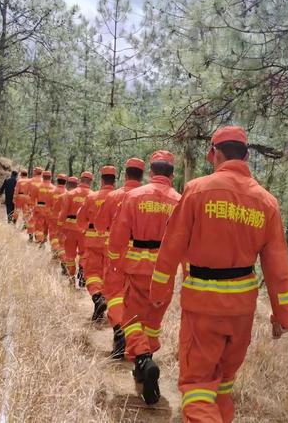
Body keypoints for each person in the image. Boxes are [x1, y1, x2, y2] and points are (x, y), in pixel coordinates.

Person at [150, 126, 288, 423]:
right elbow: (278, 268)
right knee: (223, 387)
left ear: (214, 153)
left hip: (203, 305)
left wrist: (158, 292)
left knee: (198, 387)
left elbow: (171, 247)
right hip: (242, 310)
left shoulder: (197, 190)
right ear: (247, 155)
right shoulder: (267, 202)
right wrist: (283, 316)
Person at [109, 151, 181, 405]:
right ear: (172, 175)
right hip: (166, 272)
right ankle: (144, 366)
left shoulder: (134, 196)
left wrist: (114, 265)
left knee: (130, 318)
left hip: (138, 268)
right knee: (152, 322)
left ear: (151, 173)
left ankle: (142, 358)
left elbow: (118, 236)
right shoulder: (180, 201)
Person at [95, 157, 145, 358]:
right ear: (142, 175)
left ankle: (118, 328)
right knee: (135, 300)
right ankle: (138, 345)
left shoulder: (113, 196)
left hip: (116, 253)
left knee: (115, 295)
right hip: (141, 258)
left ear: (124, 175)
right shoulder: (145, 196)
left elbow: (100, 224)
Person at [77, 165, 116, 321]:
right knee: (108, 276)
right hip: (113, 243)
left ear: (101, 180)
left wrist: (86, 229)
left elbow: (81, 220)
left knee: (92, 275)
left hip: (93, 242)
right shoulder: (120, 197)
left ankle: (97, 299)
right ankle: (100, 306)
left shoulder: (91, 197)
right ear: (115, 180)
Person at [58, 172, 93, 284]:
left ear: (80, 180)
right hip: (85, 231)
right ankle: (82, 276)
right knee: (84, 254)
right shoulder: (93, 195)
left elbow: (63, 213)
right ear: (91, 182)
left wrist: (60, 228)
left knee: (70, 255)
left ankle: (71, 278)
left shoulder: (70, 194)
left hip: (70, 229)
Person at [30, 170, 55, 244]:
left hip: (39, 211)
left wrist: (33, 208)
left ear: (43, 177)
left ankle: (39, 241)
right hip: (49, 212)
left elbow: (32, 199)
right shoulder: (54, 188)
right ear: (51, 177)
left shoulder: (37, 186)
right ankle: (43, 241)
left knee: (39, 227)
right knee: (46, 227)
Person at [48, 173, 68, 258]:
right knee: (62, 238)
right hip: (63, 220)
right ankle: (61, 255)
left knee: (53, 235)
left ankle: (54, 252)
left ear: (57, 181)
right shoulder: (68, 194)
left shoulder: (51, 192)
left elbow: (47, 206)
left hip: (53, 218)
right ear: (65, 182)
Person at [25, 166, 44, 241]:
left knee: (30, 221)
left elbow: (26, 193)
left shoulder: (30, 181)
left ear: (35, 172)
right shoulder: (43, 182)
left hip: (31, 204)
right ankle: (38, 239)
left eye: (34, 171)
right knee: (39, 222)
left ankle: (30, 237)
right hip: (41, 205)